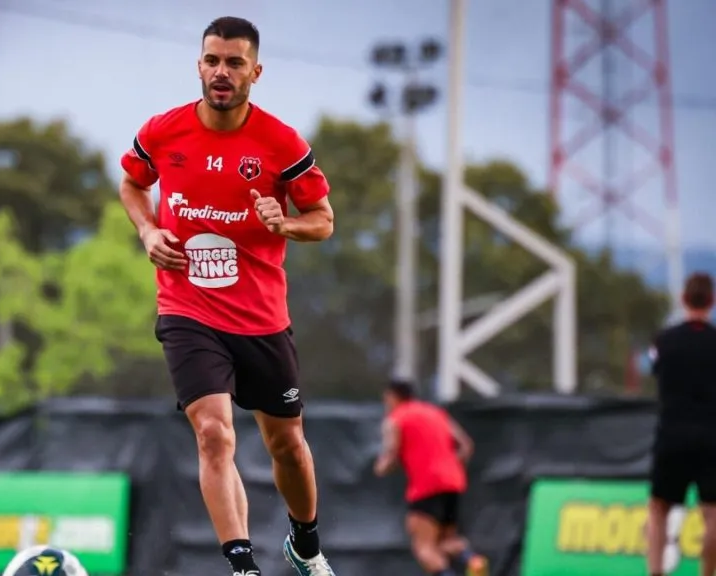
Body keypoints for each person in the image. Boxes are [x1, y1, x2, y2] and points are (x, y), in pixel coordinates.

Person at [116, 15, 337, 576]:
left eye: (234, 63)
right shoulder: (164, 132)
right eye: (212, 60)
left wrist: (285, 224)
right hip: (187, 309)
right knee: (215, 434)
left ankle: (305, 545)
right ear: (199, 66)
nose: (222, 72)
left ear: (255, 72)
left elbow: (324, 220)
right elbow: (132, 184)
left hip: (261, 318)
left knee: (286, 445)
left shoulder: (281, 143)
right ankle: (243, 566)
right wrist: (147, 230)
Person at [374, 380, 488, 576]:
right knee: (446, 541)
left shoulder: (396, 418)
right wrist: (450, 465)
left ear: (393, 397)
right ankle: (473, 559)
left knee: (424, 548)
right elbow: (466, 445)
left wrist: (381, 467)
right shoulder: (435, 412)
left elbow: (392, 452)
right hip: (453, 482)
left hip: (425, 487)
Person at [645, 272, 716, 576]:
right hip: (712, 437)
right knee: (712, 513)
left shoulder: (664, 340)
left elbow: (653, 368)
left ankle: (656, 572)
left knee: (659, 509)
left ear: (682, 299)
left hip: (672, 435)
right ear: (711, 302)